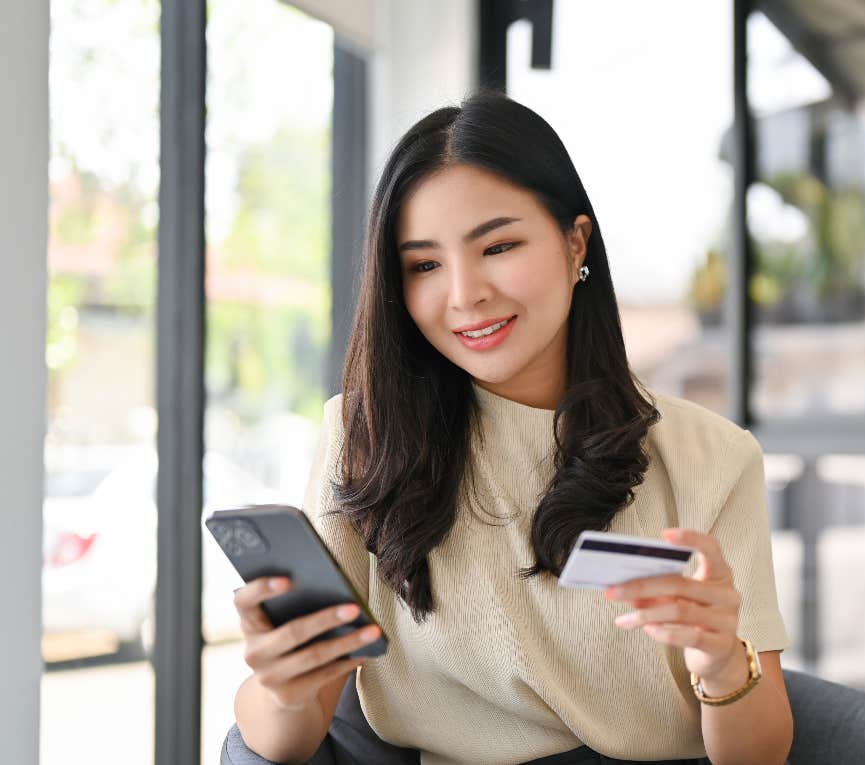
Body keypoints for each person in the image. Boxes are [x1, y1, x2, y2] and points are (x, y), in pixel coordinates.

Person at [229, 90, 793, 765]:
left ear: (574, 241)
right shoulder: (367, 434)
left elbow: (759, 756)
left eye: (497, 245)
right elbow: (287, 739)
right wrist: (281, 686)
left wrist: (724, 662)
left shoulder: (713, 458)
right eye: (425, 265)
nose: (465, 293)